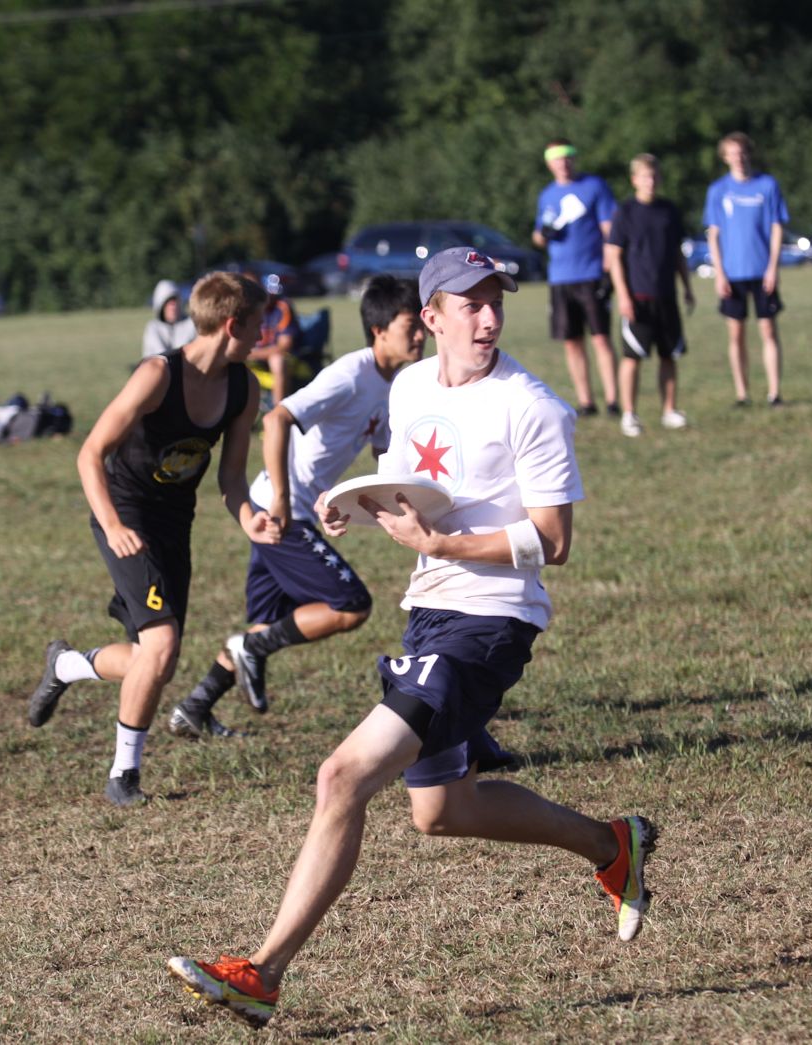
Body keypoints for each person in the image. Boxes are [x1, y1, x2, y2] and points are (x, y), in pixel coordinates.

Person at [166, 247, 658, 1028]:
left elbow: (554, 540)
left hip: (491, 621)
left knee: (341, 776)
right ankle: (611, 845)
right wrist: (352, 506)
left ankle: (261, 974)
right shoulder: (413, 385)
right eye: (470, 304)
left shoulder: (532, 405)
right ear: (432, 316)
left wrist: (445, 544)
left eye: (496, 302)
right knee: (441, 809)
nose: (488, 317)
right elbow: (407, 487)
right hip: (428, 610)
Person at [24, 272, 278, 807]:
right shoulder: (158, 375)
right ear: (232, 324)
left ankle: (66, 666)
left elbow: (231, 479)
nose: (264, 334)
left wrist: (249, 518)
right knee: (160, 648)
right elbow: (90, 454)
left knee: (153, 656)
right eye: (259, 323)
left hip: (174, 523)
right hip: (125, 515)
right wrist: (114, 525)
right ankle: (123, 777)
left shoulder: (243, 387)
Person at [168, 275, 428, 739]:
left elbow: (384, 456)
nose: (421, 335)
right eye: (412, 325)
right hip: (281, 509)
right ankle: (248, 651)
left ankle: (194, 707)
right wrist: (284, 499)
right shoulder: (351, 373)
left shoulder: (397, 384)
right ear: (379, 330)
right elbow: (277, 418)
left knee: (267, 623)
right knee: (351, 605)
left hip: (289, 504)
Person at [606, 153, 696, 438]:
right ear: (635, 180)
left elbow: (678, 253)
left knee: (669, 355)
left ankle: (669, 410)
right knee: (632, 357)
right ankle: (629, 415)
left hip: (666, 296)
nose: (651, 181)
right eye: (645, 176)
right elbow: (614, 257)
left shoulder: (669, 210)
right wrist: (623, 296)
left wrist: (687, 287)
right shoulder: (625, 212)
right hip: (637, 298)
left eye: (655, 175)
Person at [532, 138, 620, 418]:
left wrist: (609, 267)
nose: (563, 163)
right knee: (572, 341)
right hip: (560, 278)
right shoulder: (547, 196)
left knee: (601, 338)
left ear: (573, 158)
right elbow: (538, 237)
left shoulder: (594, 186)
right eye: (557, 159)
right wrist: (543, 234)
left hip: (591, 274)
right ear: (549, 163)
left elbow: (610, 228)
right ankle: (586, 402)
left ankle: (613, 400)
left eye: (567, 157)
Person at [704, 131, 789, 406]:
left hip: (763, 270)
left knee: (768, 331)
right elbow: (713, 234)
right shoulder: (718, 190)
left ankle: (774, 393)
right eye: (732, 154)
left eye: (741, 153)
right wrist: (719, 273)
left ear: (749, 154)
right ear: (725, 158)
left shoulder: (767, 185)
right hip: (732, 273)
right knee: (736, 334)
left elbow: (777, 227)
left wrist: (773, 267)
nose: (738, 158)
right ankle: (742, 394)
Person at [247, 273, 304, 407]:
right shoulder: (241, 310)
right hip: (252, 359)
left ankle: (278, 411)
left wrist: (252, 353)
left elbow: (285, 346)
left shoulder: (280, 307)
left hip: (285, 359)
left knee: (277, 360)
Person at [141, 279, 196, 359]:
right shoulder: (153, 328)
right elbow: (160, 357)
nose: (173, 307)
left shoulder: (191, 324)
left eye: (175, 301)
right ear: (160, 306)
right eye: (168, 302)